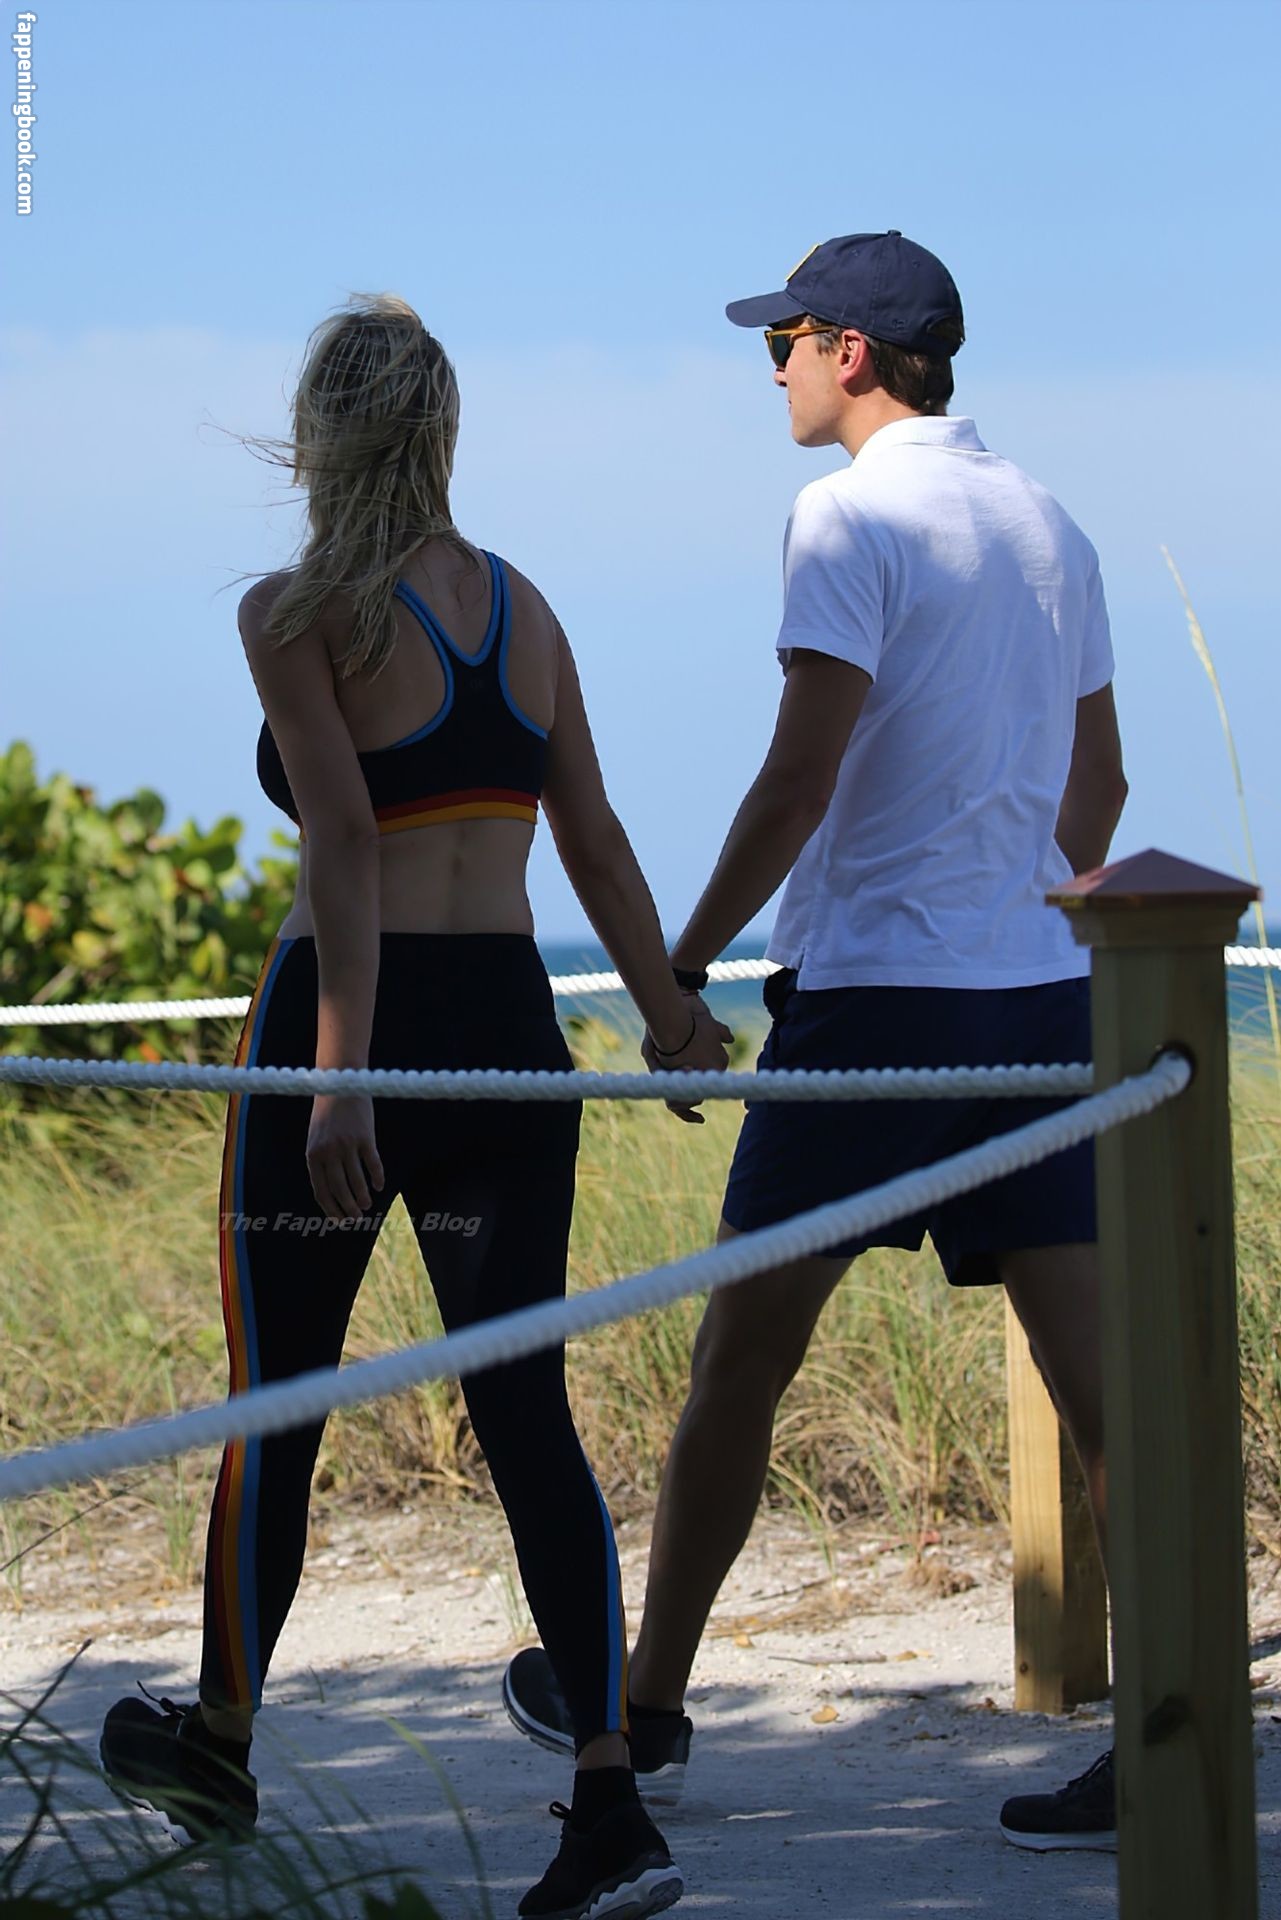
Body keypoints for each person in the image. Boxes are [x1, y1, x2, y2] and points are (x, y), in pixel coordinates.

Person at [98, 292, 728, 1919]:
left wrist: (337, 1076)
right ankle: (608, 1805)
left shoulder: (295, 612)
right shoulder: (524, 609)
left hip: (349, 1030)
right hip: (507, 1036)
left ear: (324, 436)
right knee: (526, 1413)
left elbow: (342, 842)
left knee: (276, 1404)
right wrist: (668, 1021)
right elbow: (592, 836)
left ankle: (222, 1740)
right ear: (440, 433)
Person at [502, 231, 1130, 1853]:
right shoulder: (1049, 524)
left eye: (779, 339)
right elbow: (1102, 792)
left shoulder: (846, 517)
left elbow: (798, 778)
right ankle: (1169, 1728)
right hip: (1035, 1009)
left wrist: (677, 967)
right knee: (1105, 1399)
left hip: (867, 1017)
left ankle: (649, 1706)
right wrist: (1015, 908)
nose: (767, 368)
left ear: (850, 351)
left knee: (739, 1367)